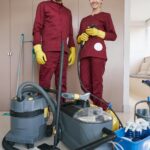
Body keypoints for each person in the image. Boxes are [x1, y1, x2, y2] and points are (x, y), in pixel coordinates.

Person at [33, 0, 76, 102]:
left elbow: (70, 34)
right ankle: (42, 109)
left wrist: (72, 49)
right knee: (45, 81)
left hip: (64, 52)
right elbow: (37, 29)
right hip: (48, 51)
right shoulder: (43, 6)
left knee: (62, 83)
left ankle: (61, 109)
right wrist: (38, 49)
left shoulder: (67, 12)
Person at [77, 0, 117, 110]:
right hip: (84, 54)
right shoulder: (84, 20)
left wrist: (98, 33)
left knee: (96, 82)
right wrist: (80, 38)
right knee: (84, 83)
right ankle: (103, 106)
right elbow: (78, 37)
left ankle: (98, 111)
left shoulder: (106, 16)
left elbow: (113, 36)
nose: (94, 1)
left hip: (98, 54)